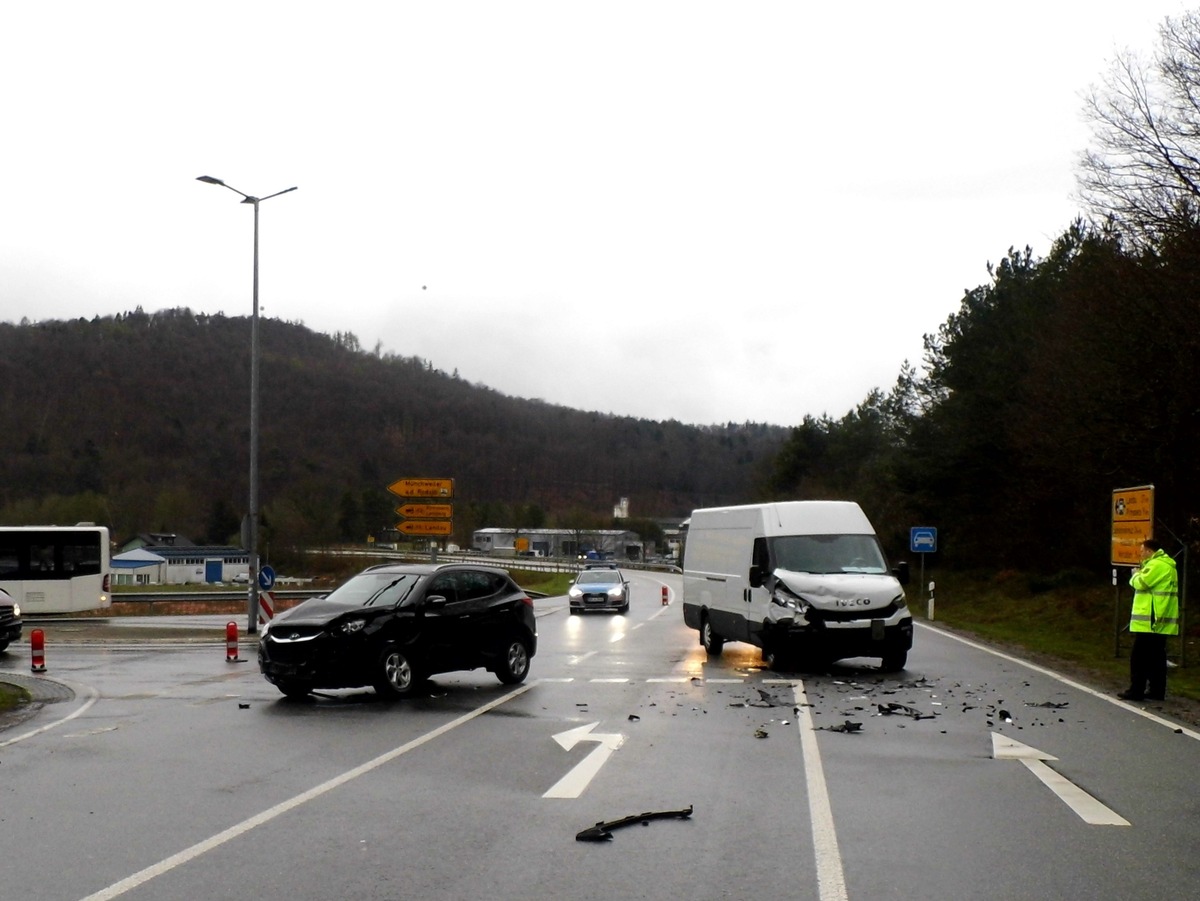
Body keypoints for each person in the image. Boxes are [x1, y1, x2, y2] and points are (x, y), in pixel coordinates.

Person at [1119, 539, 1179, 701]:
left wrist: (1135, 574)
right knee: (1156, 656)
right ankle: (1156, 691)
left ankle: (1136, 690)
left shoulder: (1157, 565)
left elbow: (1141, 583)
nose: (1140, 554)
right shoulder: (1167, 565)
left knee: (1139, 656)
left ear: (1149, 551)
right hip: (1160, 618)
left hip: (1150, 620)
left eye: (1142, 551)